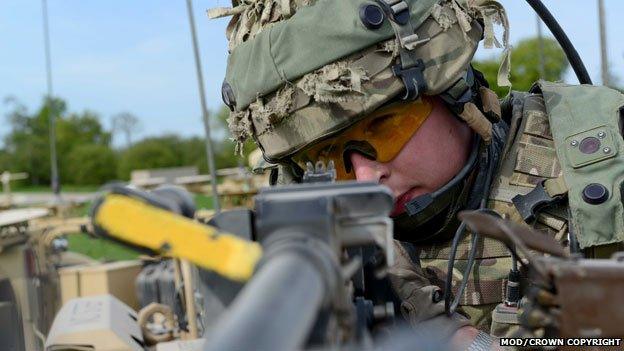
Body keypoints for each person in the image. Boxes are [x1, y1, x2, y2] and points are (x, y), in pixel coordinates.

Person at [210, 0, 624, 348]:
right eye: (327, 158)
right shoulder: (309, 257)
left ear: (454, 94)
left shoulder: (606, 162)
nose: (367, 179)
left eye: (383, 127)